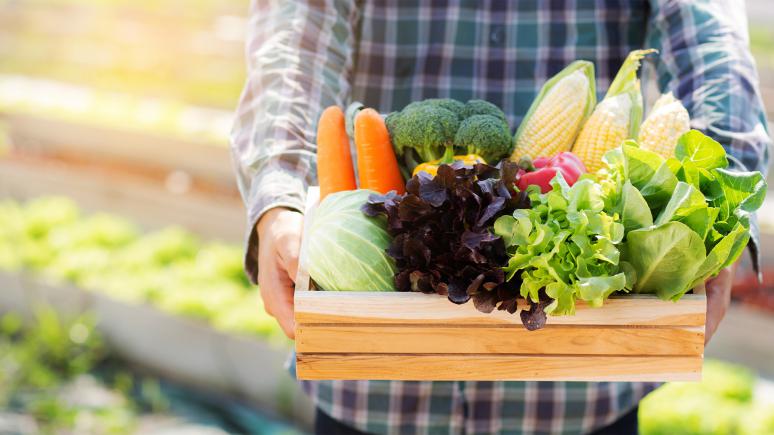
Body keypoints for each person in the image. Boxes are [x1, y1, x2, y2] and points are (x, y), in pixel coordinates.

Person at [230, 1, 770, 434]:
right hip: (376, 375)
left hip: (579, 378)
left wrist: (718, 206)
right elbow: (295, 36)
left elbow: (711, 43)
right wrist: (279, 194)